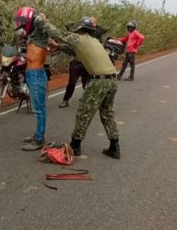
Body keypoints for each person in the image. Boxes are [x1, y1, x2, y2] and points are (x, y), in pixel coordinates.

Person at [38, 15, 121, 159]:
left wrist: (43, 22)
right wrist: (58, 46)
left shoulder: (79, 38)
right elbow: (73, 51)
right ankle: (115, 147)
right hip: (112, 80)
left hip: (99, 81)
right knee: (107, 113)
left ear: (80, 29)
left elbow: (59, 34)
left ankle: (75, 146)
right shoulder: (93, 41)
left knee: (84, 112)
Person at [13, 7, 49, 151]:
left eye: (22, 22)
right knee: (37, 108)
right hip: (32, 73)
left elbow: (42, 19)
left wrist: (36, 16)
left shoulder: (40, 33)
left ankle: (39, 139)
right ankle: (38, 135)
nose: (20, 25)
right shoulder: (33, 35)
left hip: (36, 74)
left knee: (39, 109)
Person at [58, 17, 107, 108]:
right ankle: (65, 100)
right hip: (76, 62)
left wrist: (93, 25)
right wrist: (81, 23)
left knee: (87, 83)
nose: (93, 24)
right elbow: (67, 25)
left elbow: (104, 29)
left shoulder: (95, 35)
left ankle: (87, 99)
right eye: (91, 23)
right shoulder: (78, 33)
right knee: (71, 83)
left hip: (87, 63)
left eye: (95, 23)